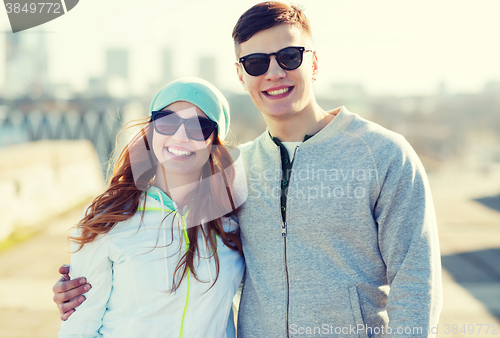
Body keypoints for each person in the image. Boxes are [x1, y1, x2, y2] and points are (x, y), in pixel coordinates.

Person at [54, 2, 442, 337]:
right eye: (256, 62)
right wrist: (80, 286)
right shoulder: (234, 175)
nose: (273, 73)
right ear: (241, 75)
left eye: (289, 56)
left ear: (315, 62)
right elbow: (162, 244)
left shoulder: (383, 155)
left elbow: (416, 282)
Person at [57, 77, 245, 338]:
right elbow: (79, 327)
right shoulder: (108, 216)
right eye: (166, 121)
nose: (179, 136)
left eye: (198, 127)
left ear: (214, 141)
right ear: (151, 129)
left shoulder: (233, 222)